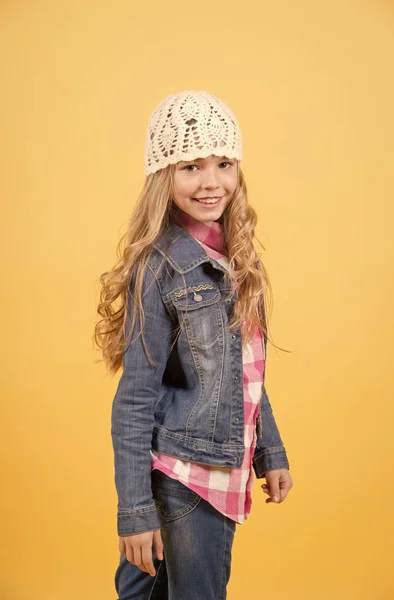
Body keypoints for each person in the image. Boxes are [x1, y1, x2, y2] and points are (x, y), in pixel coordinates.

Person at [94, 90, 293, 600]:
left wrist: (269, 450)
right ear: (164, 177)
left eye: (224, 163)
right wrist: (135, 511)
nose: (211, 182)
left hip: (217, 466)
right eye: (190, 166)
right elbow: (135, 399)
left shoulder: (237, 257)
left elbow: (238, 373)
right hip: (184, 479)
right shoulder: (161, 265)